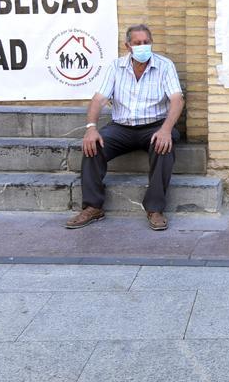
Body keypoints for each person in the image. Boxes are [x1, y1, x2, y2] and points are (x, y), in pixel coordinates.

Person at [66, 24, 184, 230]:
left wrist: (166, 129)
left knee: (164, 146)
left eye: (146, 42)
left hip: (154, 126)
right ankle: (93, 207)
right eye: (137, 43)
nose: (143, 46)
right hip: (122, 127)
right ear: (128, 46)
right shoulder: (115, 67)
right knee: (93, 146)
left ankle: (155, 209)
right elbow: (98, 99)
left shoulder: (165, 65)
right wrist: (91, 127)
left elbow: (177, 99)